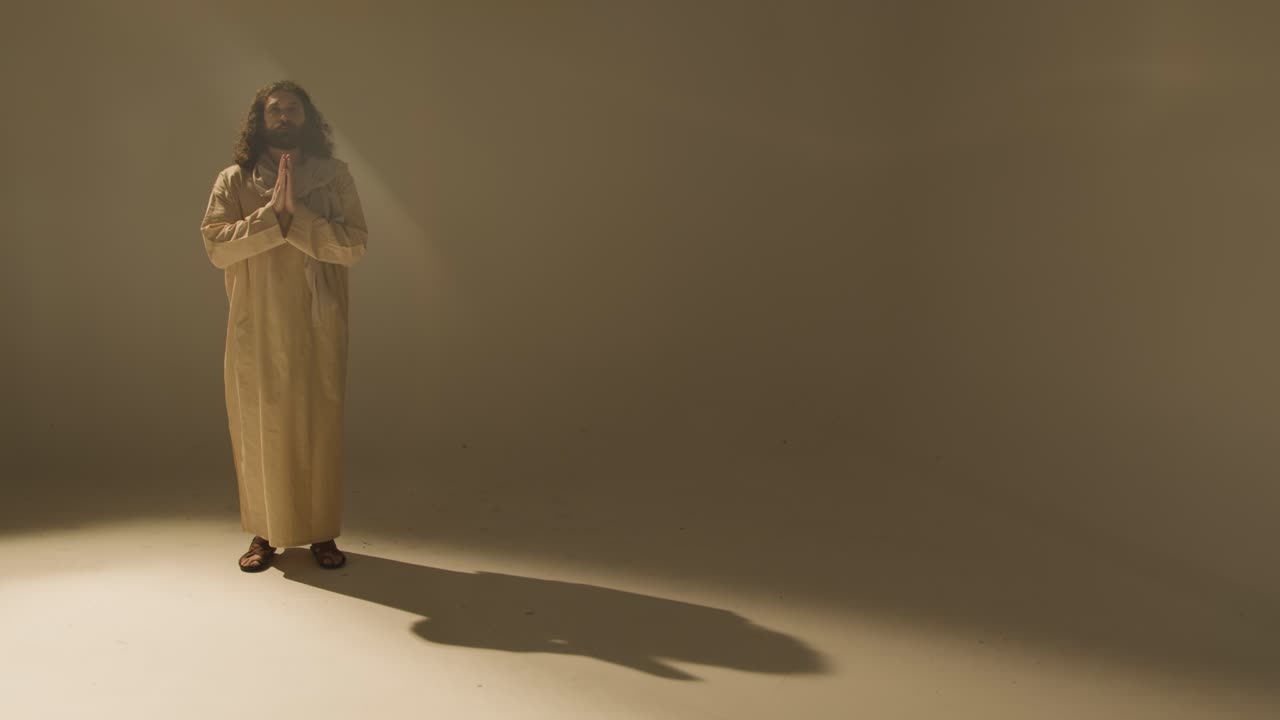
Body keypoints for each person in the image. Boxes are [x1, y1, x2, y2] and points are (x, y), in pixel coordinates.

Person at [199, 80, 368, 572]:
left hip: (318, 320)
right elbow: (216, 246)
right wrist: (271, 216)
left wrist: (302, 215)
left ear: (307, 117)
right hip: (257, 319)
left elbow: (354, 245)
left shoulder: (335, 176)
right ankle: (264, 533)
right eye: (275, 109)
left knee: (318, 423)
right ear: (260, 120)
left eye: (292, 108)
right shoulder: (234, 180)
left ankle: (320, 533)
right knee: (260, 424)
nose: (284, 115)